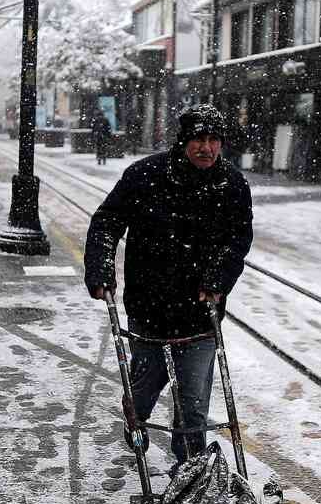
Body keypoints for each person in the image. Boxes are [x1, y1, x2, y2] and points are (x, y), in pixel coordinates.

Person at [84, 104, 253, 464]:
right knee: (144, 390)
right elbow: (107, 221)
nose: (206, 148)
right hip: (150, 307)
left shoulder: (232, 185)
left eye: (213, 140)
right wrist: (100, 268)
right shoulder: (145, 175)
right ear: (184, 141)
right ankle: (135, 410)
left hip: (200, 314)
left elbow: (238, 241)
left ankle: (188, 470)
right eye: (198, 140)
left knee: (193, 407)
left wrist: (218, 279)